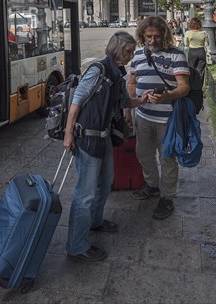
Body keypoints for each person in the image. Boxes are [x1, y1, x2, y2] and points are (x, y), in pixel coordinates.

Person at [64, 31, 149, 262]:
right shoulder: (98, 70)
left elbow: (123, 102)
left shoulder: (116, 74)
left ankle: (95, 221)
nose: (131, 56)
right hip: (88, 138)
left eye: (132, 51)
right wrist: (68, 133)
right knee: (86, 194)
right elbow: (76, 102)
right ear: (117, 48)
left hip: (104, 137)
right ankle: (76, 245)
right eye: (128, 51)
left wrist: (142, 100)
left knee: (105, 182)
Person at [126, 16, 190, 220]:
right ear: (142, 36)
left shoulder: (176, 55)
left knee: (167, 159)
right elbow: (132, 82)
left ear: (164, 34)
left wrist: (168, 96)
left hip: (167, 119)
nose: (152, 41)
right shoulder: (137, 54)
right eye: (148, 37)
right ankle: (152, 185)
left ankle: (167, 197)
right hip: (143, 116)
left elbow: (184, 86)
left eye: (156, 36)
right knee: (143, 154)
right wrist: (129, 109)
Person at [183, 17, 208, 87]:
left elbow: (186, 43)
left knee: (191, 68)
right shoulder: (203, 33)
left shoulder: (188, 33)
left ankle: (192, 85)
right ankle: (199, 85)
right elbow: (206, 44)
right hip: (201, 51)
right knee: (201, 70)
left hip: (192, 51)